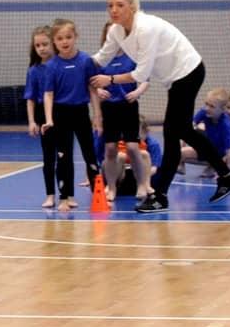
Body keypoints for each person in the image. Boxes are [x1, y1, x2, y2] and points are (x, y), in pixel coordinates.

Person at [90, 0, 230, 213]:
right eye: (110, 5)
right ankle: (226, 176)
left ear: (133, 7)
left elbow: (141, 73)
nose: (114, 10)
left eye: (120, 5)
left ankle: (161, 195)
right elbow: (100, 59)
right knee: (181, 132)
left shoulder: (145, 28)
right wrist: (75, 63)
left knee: (173, 133)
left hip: (188, 72)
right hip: (175, 80)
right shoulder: (116, 31)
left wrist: (109, 79)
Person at [42, 19, 101, 212]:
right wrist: (49, 119)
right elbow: (48, 94)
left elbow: (93, 90)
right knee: (63, 156)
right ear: (54, 41)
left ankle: (98, 196)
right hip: (61, 114)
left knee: (90, 154)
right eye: (60, 38)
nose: (65, 41)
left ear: (76, 37)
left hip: (81, 112)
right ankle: (65, 197)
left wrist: (97, 116)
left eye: (68, 37)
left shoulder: (86, 61)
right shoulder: (52, 66)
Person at [93, 21, 151, 201]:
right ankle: (111, 187)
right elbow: (92, 82)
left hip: (128, 105)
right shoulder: (101, 60)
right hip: (109, 107)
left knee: (133, 147)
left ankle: (141, 184)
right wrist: (98, 90)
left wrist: (137, 92)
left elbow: (145, 78)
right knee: (111, 149)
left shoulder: (132, 56)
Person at [24, 25, 59, 208]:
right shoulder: (34, 70)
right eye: (38, 45)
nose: (42, 48)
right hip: (42, 114)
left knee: (64, 156)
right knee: (48, 157)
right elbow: (30, 98)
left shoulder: (60, 66)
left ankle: (67, 195)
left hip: (61, 111)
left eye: (45, 44)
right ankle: (50, 195)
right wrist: (32, 121)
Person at [179, 88, 230, 177]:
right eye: (206, 104)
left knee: (224, 159)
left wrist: (228, 175)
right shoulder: (203, 112)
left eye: (212, 106)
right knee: (179, 152)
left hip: (219, 155)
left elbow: (229, 152)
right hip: (206, 149)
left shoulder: (225, 125)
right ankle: (182, 165)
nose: (207, 108)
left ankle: (213, 167)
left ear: (223, 109)